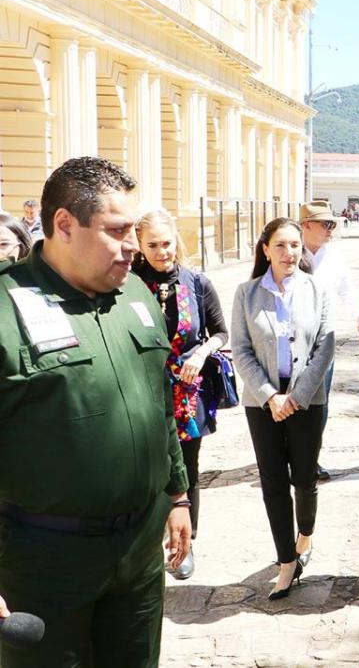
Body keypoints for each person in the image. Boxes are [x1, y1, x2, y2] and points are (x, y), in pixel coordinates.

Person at [0, 156, 191, 667]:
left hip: (137, 555)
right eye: (117, 230)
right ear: (64, 224)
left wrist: (176, 494)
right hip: (42, 563)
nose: (133, 244)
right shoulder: (4, 306)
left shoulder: (135, 293)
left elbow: (159, 405)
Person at [230, 218, 335, 600]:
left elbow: (325, 345)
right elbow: (240, 349)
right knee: (273, 482)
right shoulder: (247, 293)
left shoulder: (316, 289)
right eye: (281, 246)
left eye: (295, 245)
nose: (289, 253)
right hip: (263, 404)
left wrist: (296, 397)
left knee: (304, 478)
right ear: (266, 250)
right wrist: (270, 396)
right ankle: (286, 560)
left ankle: (305, 530)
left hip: (306, 401)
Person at [132, 208, 228, 581]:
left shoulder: (197, 283)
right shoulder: (128, 284)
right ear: (140, 245)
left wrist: (202, 353)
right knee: (142, 469)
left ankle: (186, 543)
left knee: (186, 470)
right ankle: (146, 544)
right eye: (152, 244)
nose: (161, 251)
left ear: (176, 240)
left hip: (186, 395)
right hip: (141, 392)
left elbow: (221, 332)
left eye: (166, 243)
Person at [299, 200, 352, 482]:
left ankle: (310, 458)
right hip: (290, 342)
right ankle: (286, 456)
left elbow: (348, 295)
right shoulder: (288, 251)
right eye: (325, 224)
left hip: (323, 342)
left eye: (332, 224)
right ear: (306, 225)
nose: (331, 229)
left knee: (319, 403)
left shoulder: (335, 258)